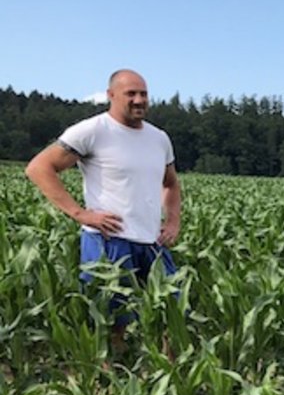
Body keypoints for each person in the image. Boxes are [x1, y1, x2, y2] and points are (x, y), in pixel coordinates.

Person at [25, 68, 182, 353]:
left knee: (173, 308)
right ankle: (107, 380)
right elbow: (39, 167)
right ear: (111, 95)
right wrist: (80, 213)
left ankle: (165, 372)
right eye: (130, 93)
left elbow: (171, 184)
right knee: (109, 319)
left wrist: (172, 221)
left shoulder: (159, 138)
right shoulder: (93, 131)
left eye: (143, 94)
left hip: (151, 241)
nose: (139, 100)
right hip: (108, 240)